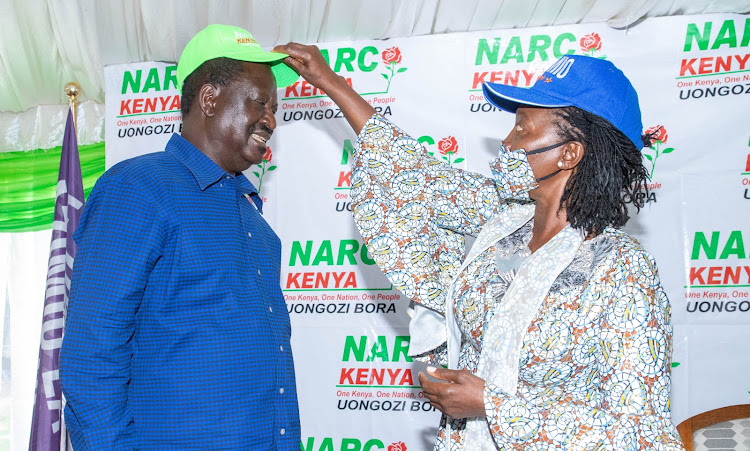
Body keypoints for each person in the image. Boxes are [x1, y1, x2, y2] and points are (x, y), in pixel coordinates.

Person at [275, 43, 684, 450]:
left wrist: (492, 405)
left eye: (522, 127)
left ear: (569, 154)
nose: (506, 143)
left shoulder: (622, 272)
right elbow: (413, 175)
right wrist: (329, 82)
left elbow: (640, 433)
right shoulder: (503, 224)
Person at [60, 25, 301, 450]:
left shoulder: (258, 225)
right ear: (209, 98)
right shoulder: (138, 188)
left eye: (275, 107)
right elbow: (91, 357)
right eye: (260, 103)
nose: (271, 119)